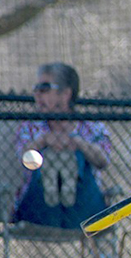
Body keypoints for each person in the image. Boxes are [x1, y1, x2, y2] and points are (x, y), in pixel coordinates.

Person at [13, 62, 111, 230]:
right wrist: (42, 141)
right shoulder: (29, 126)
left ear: (65, 94)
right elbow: (24, 161)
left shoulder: (93, 127)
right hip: (39, 211)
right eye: (36, 88)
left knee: (77, 157)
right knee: (47, 155)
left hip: (85, 212)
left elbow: (104, 161)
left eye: (44, 88)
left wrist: (78, 144)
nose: (37, 94)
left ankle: (69, 191)